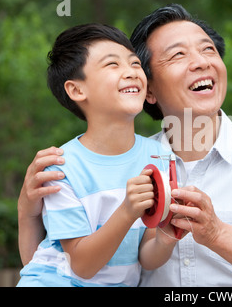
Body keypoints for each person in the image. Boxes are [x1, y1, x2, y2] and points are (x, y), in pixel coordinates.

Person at [18, 5, 232, 287]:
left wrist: (217, 234)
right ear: (148, 89)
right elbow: (54, 266)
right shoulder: (128, 163)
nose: (201, 62)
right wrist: (27, 213)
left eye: (208, 49)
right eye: (178, 55)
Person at [17, 23, 182, 287]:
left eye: (135, 63)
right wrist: (127, 211)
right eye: (112, 65)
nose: (130, 72)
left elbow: (146, 256)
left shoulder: (160, 156)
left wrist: (166, 237)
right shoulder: (60, 166)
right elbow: (82, 266)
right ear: (77, 90)